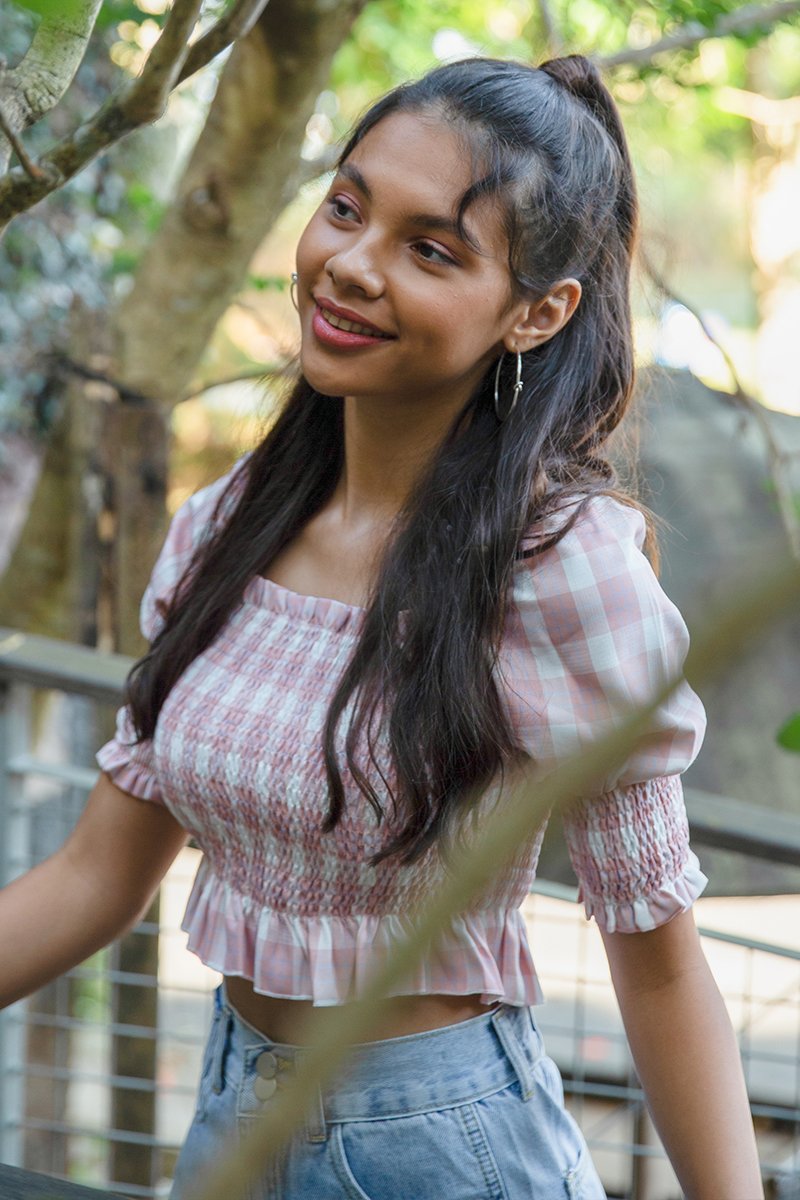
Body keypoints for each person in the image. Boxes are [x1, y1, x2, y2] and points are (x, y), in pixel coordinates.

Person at [0, 53, 763, 1200]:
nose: (348, 266)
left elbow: (653, 965)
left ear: (537, 311)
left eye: (430, 248)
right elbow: (95, 875)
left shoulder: (555, 572)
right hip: (232, 1117)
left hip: (442, 1146)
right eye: (345, 208)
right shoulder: (228, 527)